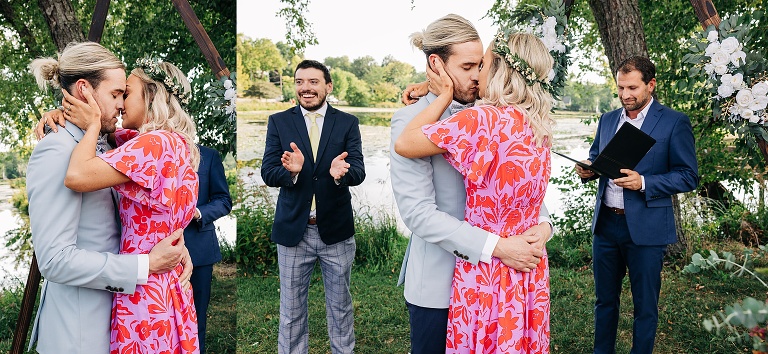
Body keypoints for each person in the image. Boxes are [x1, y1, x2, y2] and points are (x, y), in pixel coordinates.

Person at [390, 14, 553, 354]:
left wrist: (544, 224)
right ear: (437, 64)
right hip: (439, 284)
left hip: (498, 287)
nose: (478, 75)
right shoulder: (409, 120)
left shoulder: (492, 112)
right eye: (467, 67)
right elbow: (418, 213)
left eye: (481, 64)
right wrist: (499, 247)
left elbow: (518, 189)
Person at [26, 41, 192, 354]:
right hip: (81, 334)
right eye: (116, 94)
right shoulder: (56, 150)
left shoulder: (107, 144)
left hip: (120, 320)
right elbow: (54, 260)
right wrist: (145, 266)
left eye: (125, 95)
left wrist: (173, 245)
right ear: (84, 89)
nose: (120, 104)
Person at [573, 56, 699, 354]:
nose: (625, 94)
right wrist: (588, 169)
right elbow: (596, 157)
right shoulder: (607, 120)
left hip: (647, 229)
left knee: (645, 306)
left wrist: (643, 182)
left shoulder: (673, 122)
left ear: (650, 85)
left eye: (632, 87)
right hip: (606, 225)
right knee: (604, 301)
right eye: (620, 88)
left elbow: (688, 176)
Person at [261, 59, 365, 354]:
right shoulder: (279, 122)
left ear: (328, 86)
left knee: (340, 307)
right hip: (295, 232)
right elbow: (269, 172)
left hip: (337, 233)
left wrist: (341, 174)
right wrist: (291, 172)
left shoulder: (347, 123)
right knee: (291, 311)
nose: (305, 88)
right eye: (299, 82)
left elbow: (359, 171)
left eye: (313, 82)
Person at [184, 144, 233, 354]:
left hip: (198, 251)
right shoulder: (147, 151)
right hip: (154, 251)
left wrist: (197, 213)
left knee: (196, 319)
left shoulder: (208, 156)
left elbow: (223, 200)